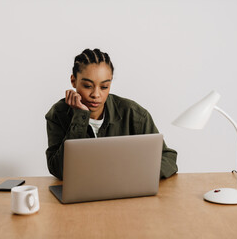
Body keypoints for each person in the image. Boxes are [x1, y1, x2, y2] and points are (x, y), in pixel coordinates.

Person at [45, 48, 178, 180]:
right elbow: (59, 170)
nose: (96, 95)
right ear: (73, 81)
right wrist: (80, 116)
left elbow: (167, 158)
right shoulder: (58, 114)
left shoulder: (134, 114)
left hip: (126, 192)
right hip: (82, 195)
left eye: (104, 87)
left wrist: (135, 174)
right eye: (87, 86)